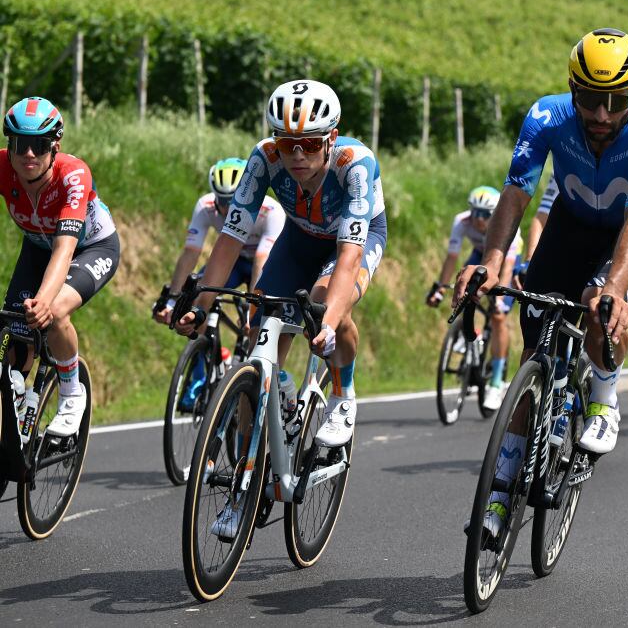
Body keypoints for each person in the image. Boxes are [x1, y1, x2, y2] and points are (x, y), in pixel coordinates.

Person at [454, 27, 628, 464]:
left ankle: (604, 398)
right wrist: (491, 263)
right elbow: (517, 192)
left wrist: (615, 287)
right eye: (589, 98)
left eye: (615, 101)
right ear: (572, 87)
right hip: (569, 224)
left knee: (600, 305)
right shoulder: (546, 116)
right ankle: (503, 483)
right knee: (533, 347)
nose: (600, 113)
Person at [174, 80, 386, 537]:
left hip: (354, 241)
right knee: (259, 336)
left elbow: (348, 257)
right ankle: (246, 483)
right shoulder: (263, 158)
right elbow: (230, 238)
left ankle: (344, 397)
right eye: (286, 143)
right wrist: (203, 305)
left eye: (309, 144)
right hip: (299, 240)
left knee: (326, 302)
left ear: (331, 138)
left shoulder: (355, 165)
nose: (296, 156)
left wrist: (328, 320)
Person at [1, 97, 119, 437]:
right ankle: (16, 408)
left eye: (39, 145)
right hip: (37, 248)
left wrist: (43, 301)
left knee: (51, 310)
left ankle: (71, 392)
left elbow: (65, 247)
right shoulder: (2, 166)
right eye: (21, 145)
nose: (29, 155)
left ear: (56, 145)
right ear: (10, 144)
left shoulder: (73, 174)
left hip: (91, 247)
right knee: (15, 341)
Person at [153, 158, 284, 324]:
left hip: (263, 265)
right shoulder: (205, 206)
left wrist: (253, 310)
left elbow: (262, 258)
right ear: (215, 197)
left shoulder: (271, 211)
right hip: (234, 262)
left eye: (236, 200)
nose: (230, 208)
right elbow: (191, 253)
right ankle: (202, 345)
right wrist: (172, 301)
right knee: (197, 296)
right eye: (223, 201)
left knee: (258, 322)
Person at [426, 186, 523, 410]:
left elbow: (507, 268)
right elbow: (452, 258)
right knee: (464, 280)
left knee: (498, 317)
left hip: (504, 256)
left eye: (485, 214)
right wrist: (440, 288)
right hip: (480, 254)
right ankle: (468, 334)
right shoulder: (461, 221)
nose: (478, 220)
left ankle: (497, 383)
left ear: (495, 213)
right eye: (475, 213)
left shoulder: (508, 225)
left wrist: (499, 300)